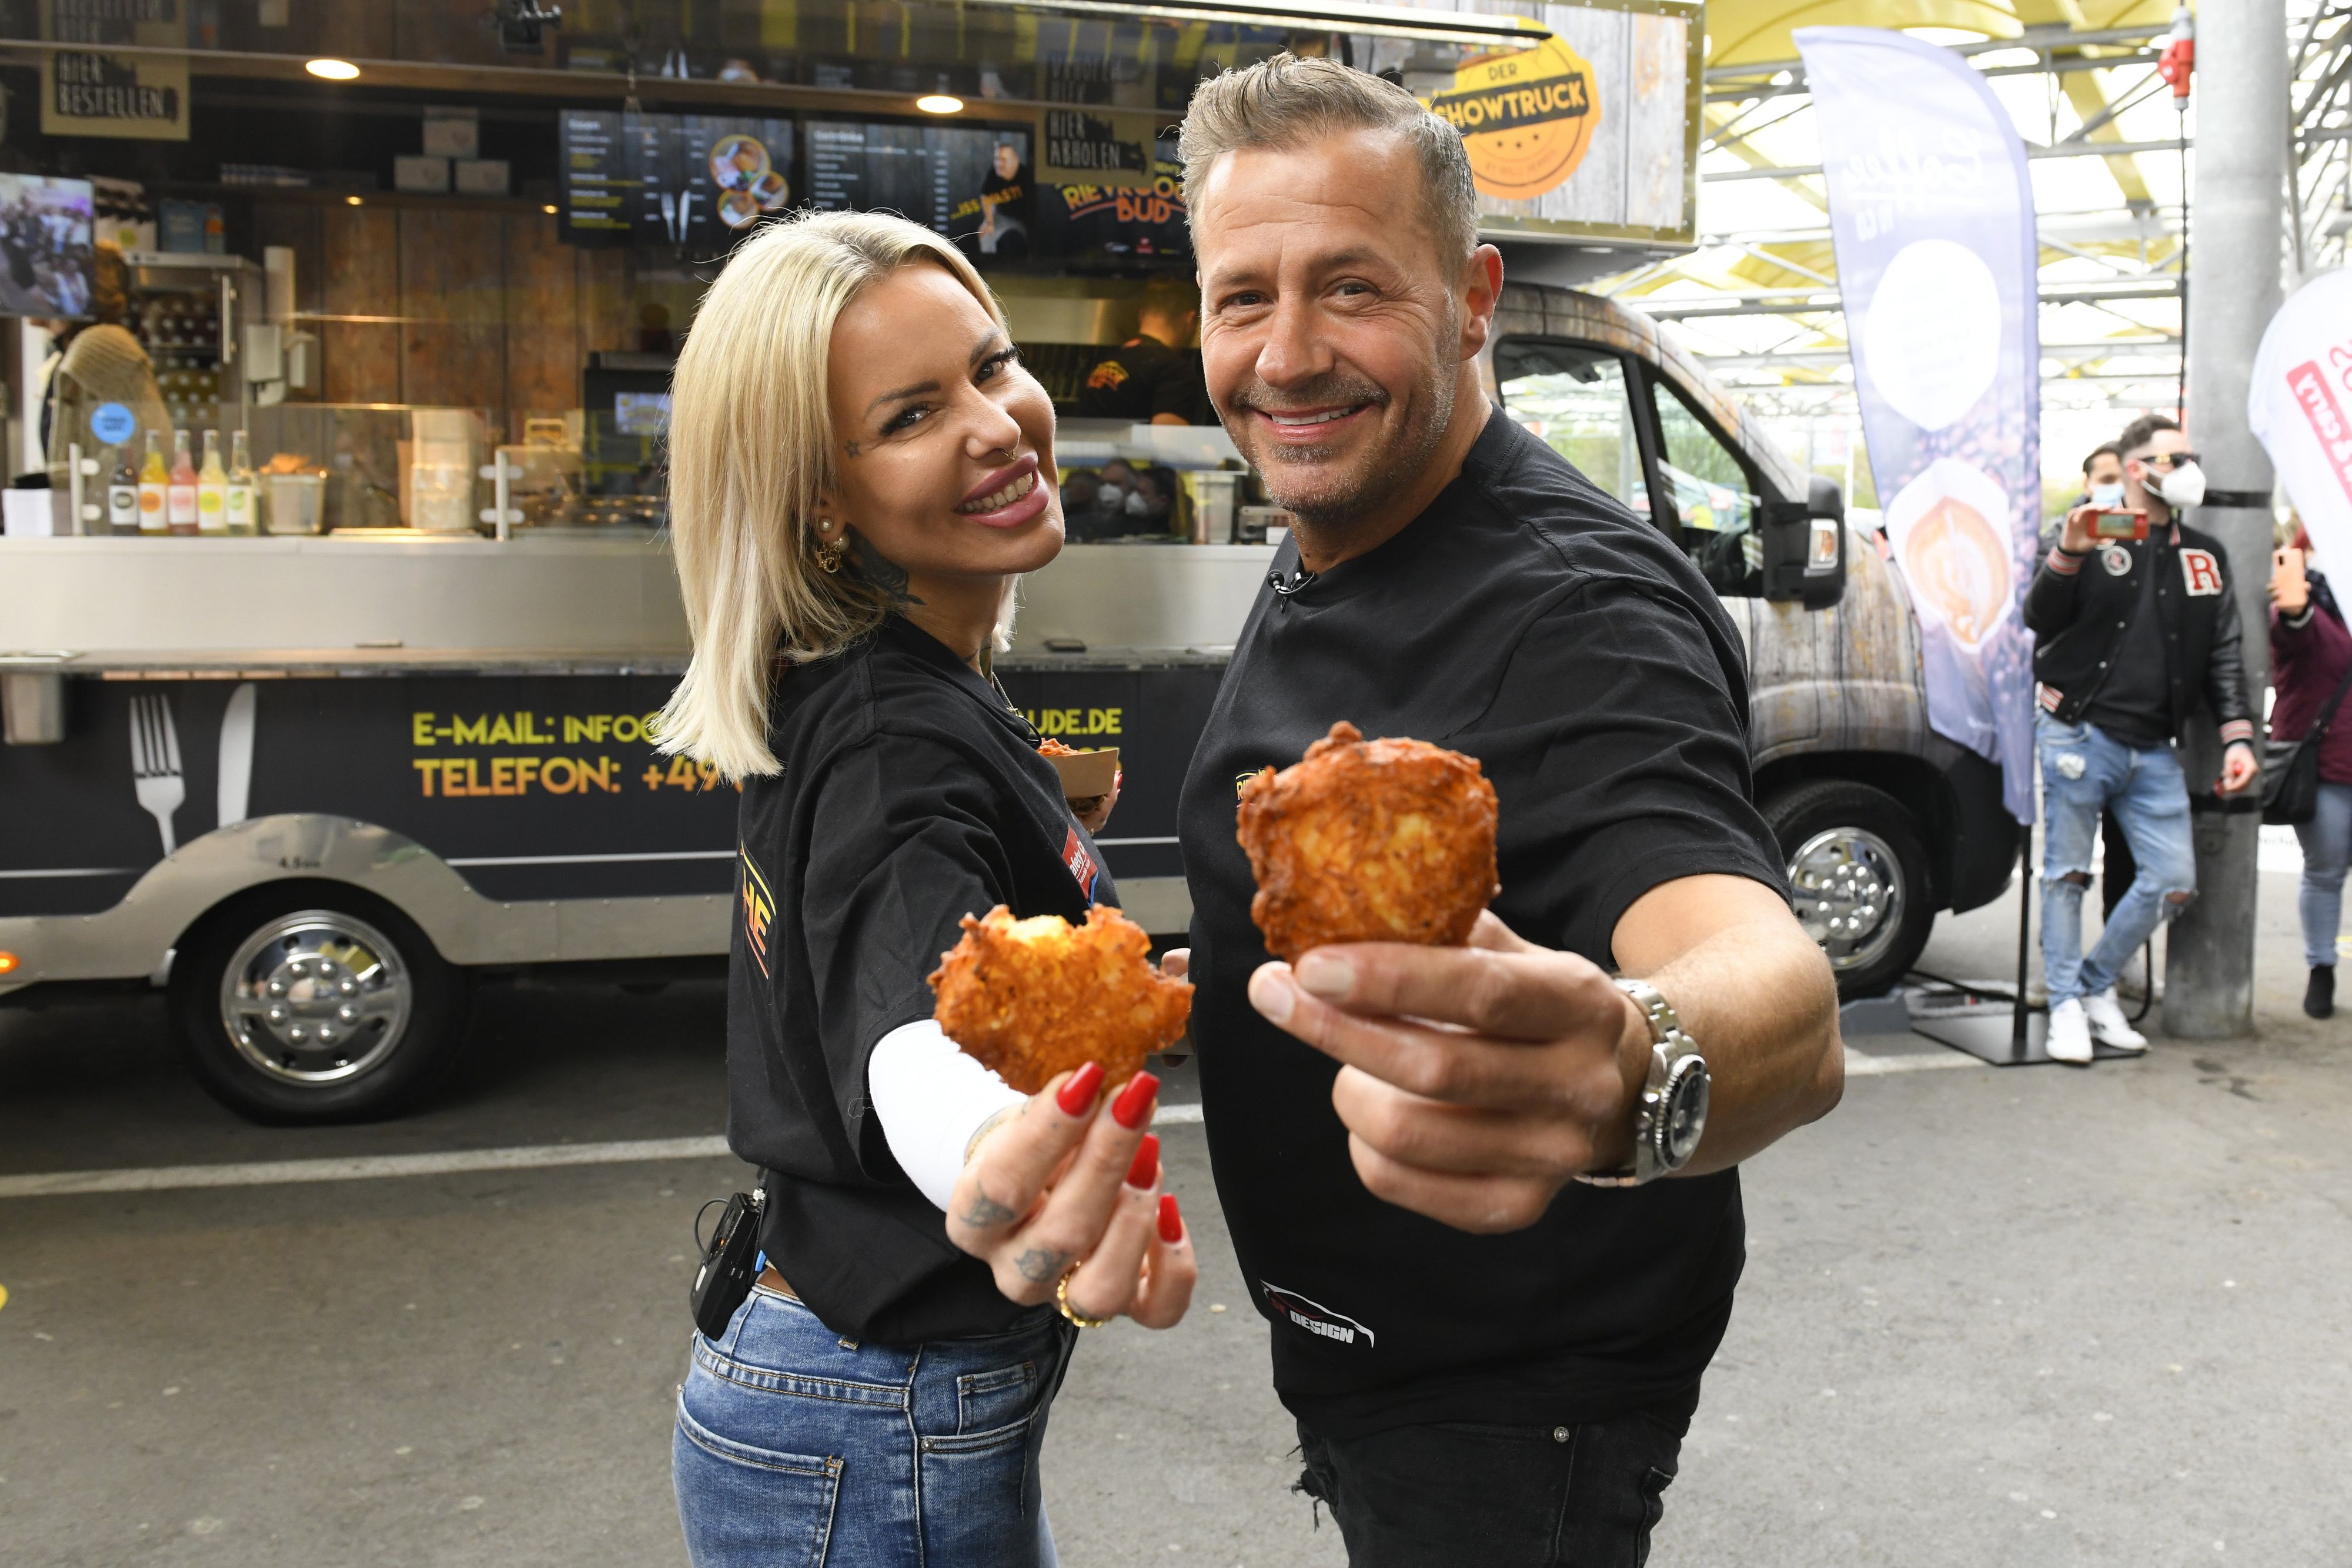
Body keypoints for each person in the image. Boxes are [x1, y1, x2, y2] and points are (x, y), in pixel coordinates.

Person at [1168, 56, 1844, 1564]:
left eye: (1350, 289)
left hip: (1505, 1411)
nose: (1285, 355)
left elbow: (1773, 995)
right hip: (1374, 1364)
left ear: (1472, 298)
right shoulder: (1338, 523)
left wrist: (1628, 1064)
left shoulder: (1578, 607)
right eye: (1240, 298)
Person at [654, 210, 1194, 1567]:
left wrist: (1046, 811)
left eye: (992, 364)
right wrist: (987, 1161)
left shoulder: (883, 691)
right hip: (867, 1416)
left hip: (846, 1396)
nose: (998, 422)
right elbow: (911, 1036)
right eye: (909, 415)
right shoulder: (900, 742)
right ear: (818, 498)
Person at [2024, 413, 2259, 1064]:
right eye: (2175, 458)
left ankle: (2093, 987)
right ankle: (2065, 1004)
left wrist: (2239, 739)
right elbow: (2036, 618)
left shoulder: (2203, 555)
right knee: (2065, 874)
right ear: (2138, 470)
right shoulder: (2085, 534)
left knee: (2173, 878)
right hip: (2077, 731)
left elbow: (2223, 656)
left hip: (2154, 747)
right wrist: (2068, 551)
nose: (2189, 468)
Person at [2268, 523, 2352, 1018]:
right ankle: (2321, 968)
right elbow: (2290, 626)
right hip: (2324, 766)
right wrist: (2296, 599)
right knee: (2326, 871)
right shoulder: (2305, 601)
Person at [1074, 274, 1211, 425]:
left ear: (1141, 315)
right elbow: (1169, 440)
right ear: (1190, 319)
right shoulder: (1174, 371)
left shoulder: (1102, 361)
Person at [977, 139, 1031, 258]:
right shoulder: (993, 172)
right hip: (1000, 216)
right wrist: (989, 222)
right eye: (997, 159)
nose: (999, 164)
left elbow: (1036, 208)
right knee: (985, 234)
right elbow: (986, 197)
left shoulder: (1026, 175)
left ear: (1015, 161)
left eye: (1003, 160)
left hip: (1024, 220)